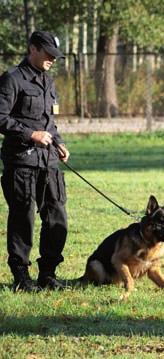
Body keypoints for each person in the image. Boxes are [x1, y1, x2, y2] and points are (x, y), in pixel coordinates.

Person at [0, 31, 70, 292]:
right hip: (21, 163)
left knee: (57, 217)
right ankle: (21, 278)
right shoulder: (12, 79)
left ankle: (48, 274)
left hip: (48, 161)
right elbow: (1, 117)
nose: (53, 58)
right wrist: (30, 135)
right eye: (48, 53)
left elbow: (49, 121)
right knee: (23, 220)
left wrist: (59, 141)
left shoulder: (48, 81)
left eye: (55, 55)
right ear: (32, 49)